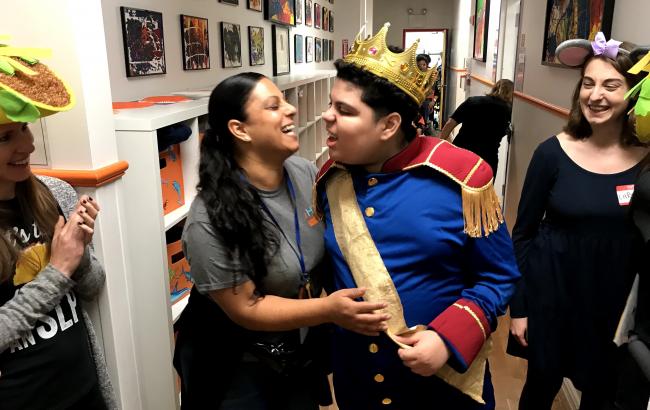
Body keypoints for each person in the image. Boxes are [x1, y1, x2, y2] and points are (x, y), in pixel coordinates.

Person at [315, 23, 521, 409]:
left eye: (343, 110)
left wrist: (448, 339)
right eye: (330, 104)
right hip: (360, 382)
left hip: (444, 388)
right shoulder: (329, 181)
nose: (327, 117)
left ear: (389, 124)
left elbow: (499, 276)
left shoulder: (464, 179)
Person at [172, 72, 389, 409]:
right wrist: (328, 310)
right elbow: (246, 308)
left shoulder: (304, 173)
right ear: (239, 129)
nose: (290, 110)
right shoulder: (210, 218)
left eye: (285, 101)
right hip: (234, 367)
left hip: (295, 353)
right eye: (273, 106)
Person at [508, 33, 649, 409]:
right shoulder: (552, 154)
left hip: (611, 306)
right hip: (552, 296)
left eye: (610, 85)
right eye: (588, 83)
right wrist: (519, 307)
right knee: (539, 389)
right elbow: (521, 234)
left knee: (601, 395)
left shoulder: (646, 162)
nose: (595, 95)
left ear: (633, 93)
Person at [0, 44, 115, 409]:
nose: (28, 144)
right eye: (5, 137)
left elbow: (93, 288)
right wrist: (59, 268)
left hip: (84, 392)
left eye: (24, 128)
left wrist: (78, 253)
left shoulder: (55, 194)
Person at [440, 79, 514, 175]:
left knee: (454, 185)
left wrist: (441, 143)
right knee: (481, 188)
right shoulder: (509, 112)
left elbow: (450, 123)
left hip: (462, 152)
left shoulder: (473, 101)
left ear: (495, 88)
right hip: (487, 159)